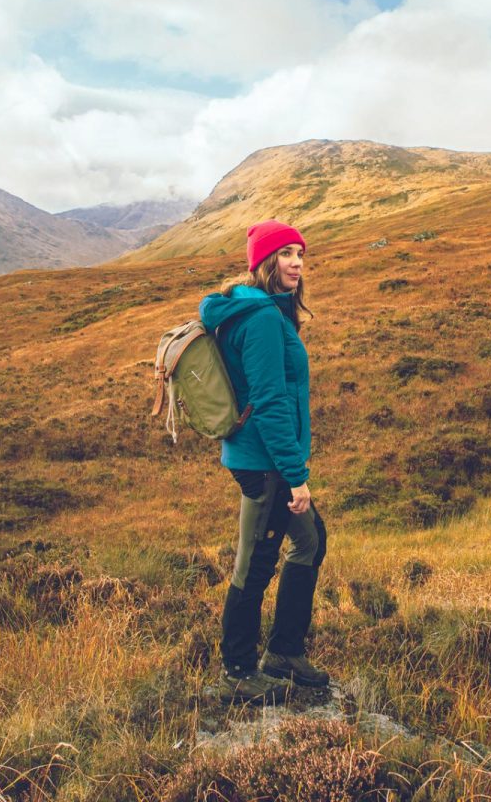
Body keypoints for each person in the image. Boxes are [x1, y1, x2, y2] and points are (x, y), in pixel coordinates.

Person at [199, 219, 328, 703]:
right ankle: (237, 669)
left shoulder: (264, 310)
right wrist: (295, 476)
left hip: (263, 454)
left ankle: (285, 652)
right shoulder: (262, 320)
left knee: (311, 540)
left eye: (300, 254)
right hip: (265, 460)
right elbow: (271, 402)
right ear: (264, 263)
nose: (296, 263)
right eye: (286, 254)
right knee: (254, 562)